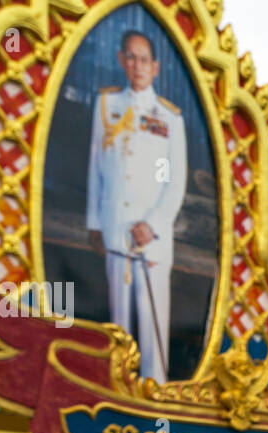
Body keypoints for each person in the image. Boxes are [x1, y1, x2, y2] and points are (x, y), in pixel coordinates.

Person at [86, 29, 187, 383]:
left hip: (152, 238)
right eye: (131, 56)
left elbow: (175, 182)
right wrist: (95, 222)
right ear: (121, 60)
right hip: (116, 229)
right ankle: (117, 389)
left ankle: (154, 395)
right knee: (119, 325)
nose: (137, 65)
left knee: (151, 321)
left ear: (155, 67)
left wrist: (153, 224)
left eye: (144, 59)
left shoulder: (170, 118)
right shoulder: (107, 105)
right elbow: (96, 166)